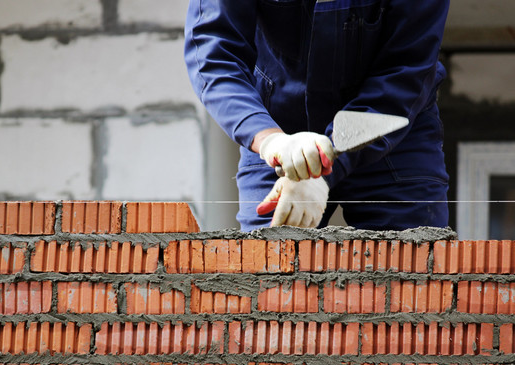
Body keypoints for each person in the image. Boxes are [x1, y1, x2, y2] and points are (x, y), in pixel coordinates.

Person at [184, 0, 450, 232]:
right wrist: (269, 140)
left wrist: (322, 163)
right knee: (270, 269)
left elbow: (404, 73)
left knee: (408, 270)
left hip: (390, 133)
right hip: (280, 134)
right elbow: (215, 55)